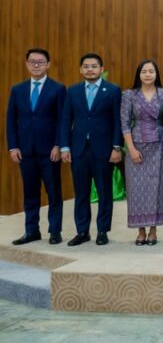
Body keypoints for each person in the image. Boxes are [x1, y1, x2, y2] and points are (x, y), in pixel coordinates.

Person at [59, 53, 123, 246]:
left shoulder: (112, 90)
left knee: (104, 193)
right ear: (81, 70)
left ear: (101, 69)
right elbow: (66, 119)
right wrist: (64, 146)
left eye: (94, 66)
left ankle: (102, 231)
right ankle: (82, 231)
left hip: (103, 150)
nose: (90, 69)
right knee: (81, 193)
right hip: (78, 149)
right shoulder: (73, 91)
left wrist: (116, 147)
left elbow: (117, 120)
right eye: (86, 66)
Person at [6, 48, 66, 245]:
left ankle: (55, 231)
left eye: (41, 62)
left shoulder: (58, 89)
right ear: (27, 64)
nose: (36, 65)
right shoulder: (18, 89)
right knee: (30, 193)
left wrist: (58, 145)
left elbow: (62, 120)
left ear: (48, 64)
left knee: (53, 193)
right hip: (25, 151)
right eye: (32, 61)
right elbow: (11, 120)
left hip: (50, 151)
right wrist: (13, 147)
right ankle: (31, 231)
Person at [120, 59, 163, 246]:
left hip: (159, 146)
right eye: (144, 71)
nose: (148, 74)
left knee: (156, 189)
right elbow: (124, 123)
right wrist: (131, 149)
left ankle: (153, 231)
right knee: (136, 190)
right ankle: (140, 231)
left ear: (156, 74)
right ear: (139, 74)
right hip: (136, 147)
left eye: (151, 71)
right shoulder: (129, 95)